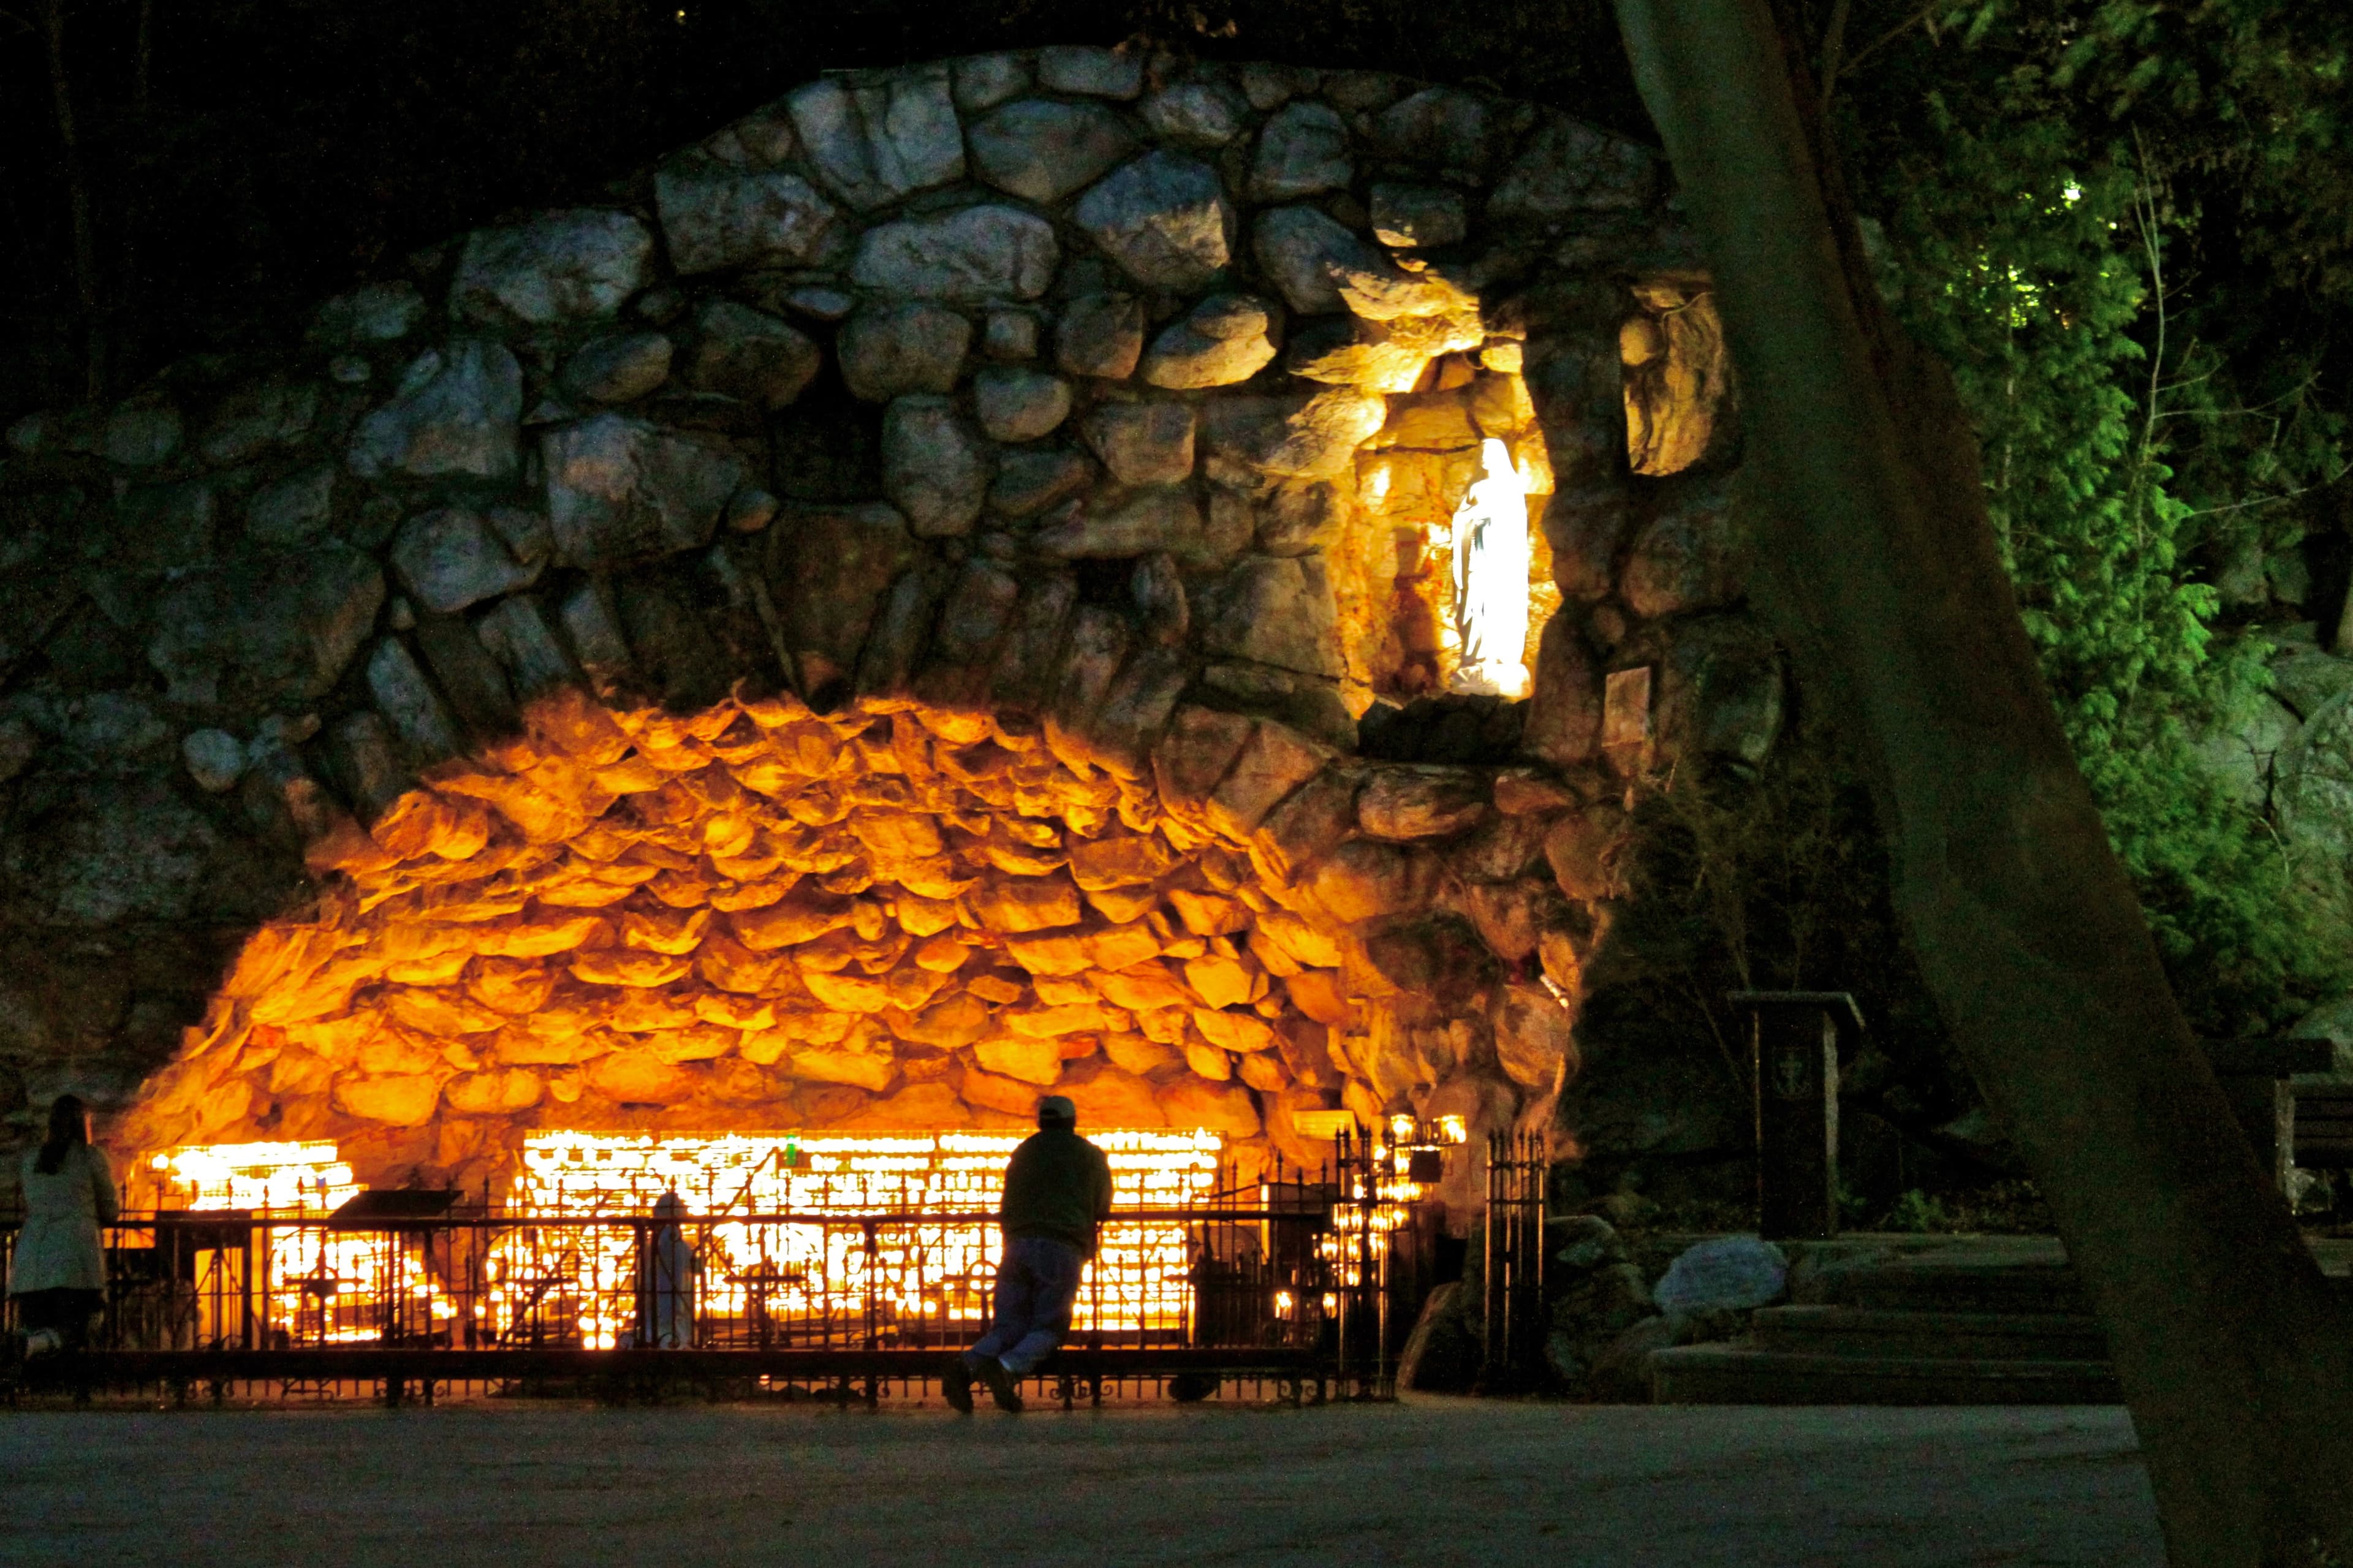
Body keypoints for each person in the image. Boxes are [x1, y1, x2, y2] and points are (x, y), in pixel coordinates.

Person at [944, 1095, 1112, 1414]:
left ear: (1041, 1122)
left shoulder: (1023, 1153)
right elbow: (1102, 1205)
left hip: (1018, 1245)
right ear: (1072, 1121)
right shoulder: (1088, 1155)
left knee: (1008, 1324)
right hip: (1062, 1245)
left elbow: (1007, 1199)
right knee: (1050, 1324)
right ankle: (1007, 1368)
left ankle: (967, 1365)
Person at [5, 1096, 119, 1373]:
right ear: (83, 1123)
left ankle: (28, 1351)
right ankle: (35, 1348)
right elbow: (111, 1209)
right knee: (80, 1324)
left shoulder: (33, 1159)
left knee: (36, 1321)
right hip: (74, 1258)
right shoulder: (89, 1158)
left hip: (32, 1258)